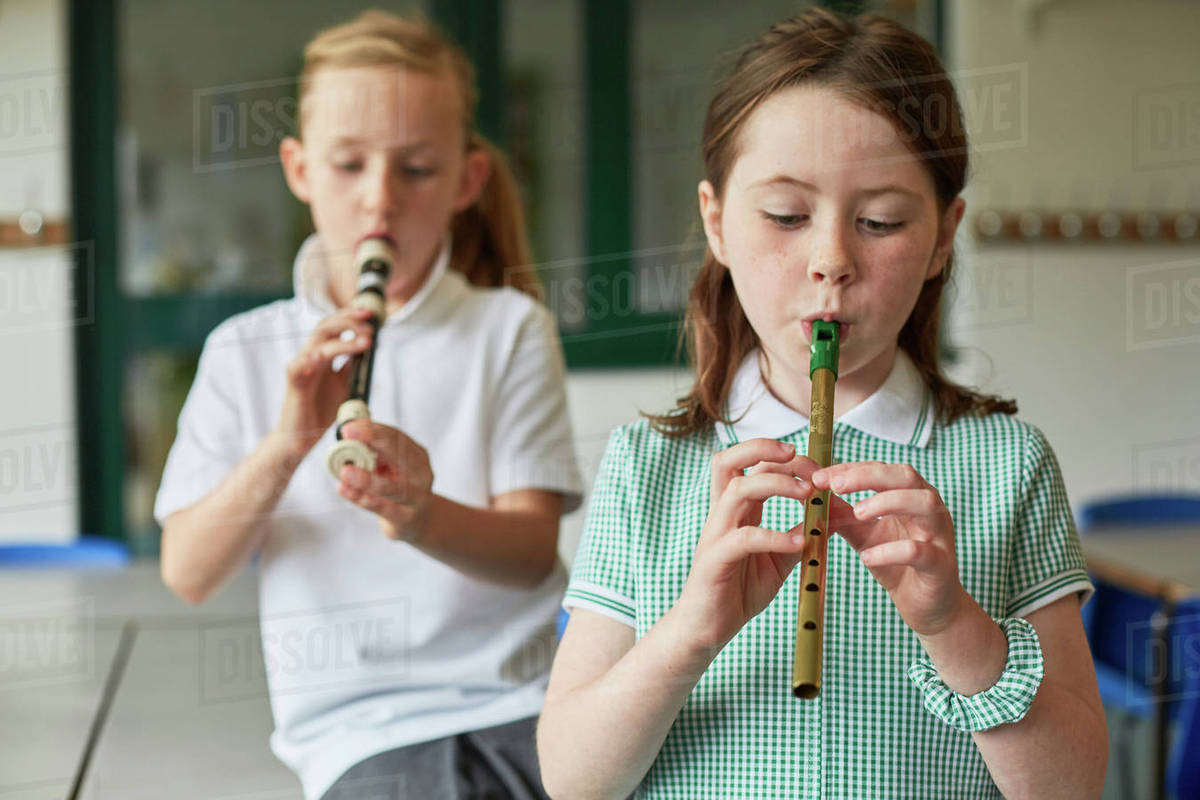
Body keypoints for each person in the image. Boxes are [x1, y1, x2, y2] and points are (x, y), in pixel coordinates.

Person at [537, 9, 1106, 799]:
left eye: (880, 222)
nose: (831, 261)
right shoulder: (649, 464)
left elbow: (1071, 786)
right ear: (717, 223)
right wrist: (692, 631)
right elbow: (570, 780)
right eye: (785, 216)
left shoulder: (1007, 464)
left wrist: (954, 627)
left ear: (944, 236)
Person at [155, 11, 580, 800]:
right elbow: (187, 572)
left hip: (530, 702)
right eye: (348, 164)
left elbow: (530, 556)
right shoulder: (241, 349)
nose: (378, 200)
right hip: (363, 728)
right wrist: (288, 443)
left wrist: (422, 514)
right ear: (299, 169)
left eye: (416, 168)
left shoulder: (508, 327)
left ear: (467, 180)